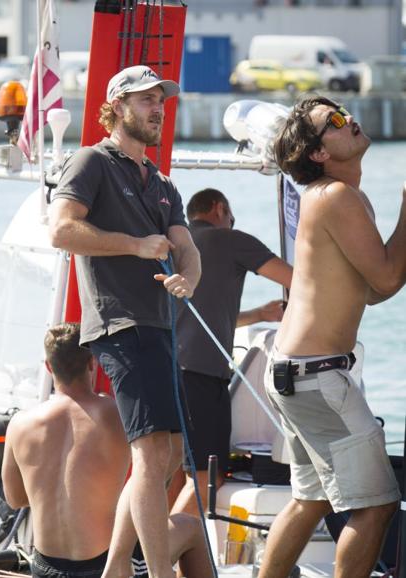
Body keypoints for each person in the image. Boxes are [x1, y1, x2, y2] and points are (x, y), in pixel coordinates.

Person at [48, 65, 201, 578]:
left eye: (161, 100)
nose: (157, 108)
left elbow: (186, 246)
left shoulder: (160, 182)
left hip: (157, 326)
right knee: (154, 452)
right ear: (116, 108)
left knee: (169, 453)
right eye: (145, 100)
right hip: (120, 325)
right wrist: (136, 246)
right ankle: (154, 574)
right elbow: (62, 231)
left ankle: (115, 570)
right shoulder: (91, 160)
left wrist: (191, 278)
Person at [259, 96, 405, 578]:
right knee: (377, 505)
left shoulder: (329, 198)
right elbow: (385, 280)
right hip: (316, 377)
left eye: (345, 113)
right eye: (335, 122)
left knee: (311, 498)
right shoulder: (336, 197)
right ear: (318, 153)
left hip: (293, 373)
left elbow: (367, 291)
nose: (351, 120)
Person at [2, 322, 213, 578]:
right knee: (191, 528)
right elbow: (163, 463)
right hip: (104, 566)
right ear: (93, 363)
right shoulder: (117, 413)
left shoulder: (20, 424)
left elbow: (15, 499)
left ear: (48, 366)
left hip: (45, 568)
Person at [170, 188, 293, 516]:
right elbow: (297, 279)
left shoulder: (174, 244)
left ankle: (162, 560)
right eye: (231, 219)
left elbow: (204, 314)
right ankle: (161, 561)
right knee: (206, 481)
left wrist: (260, 315)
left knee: (168, 476)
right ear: (218, 209)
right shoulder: (230, 240)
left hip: (165, 371)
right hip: (200, 376)